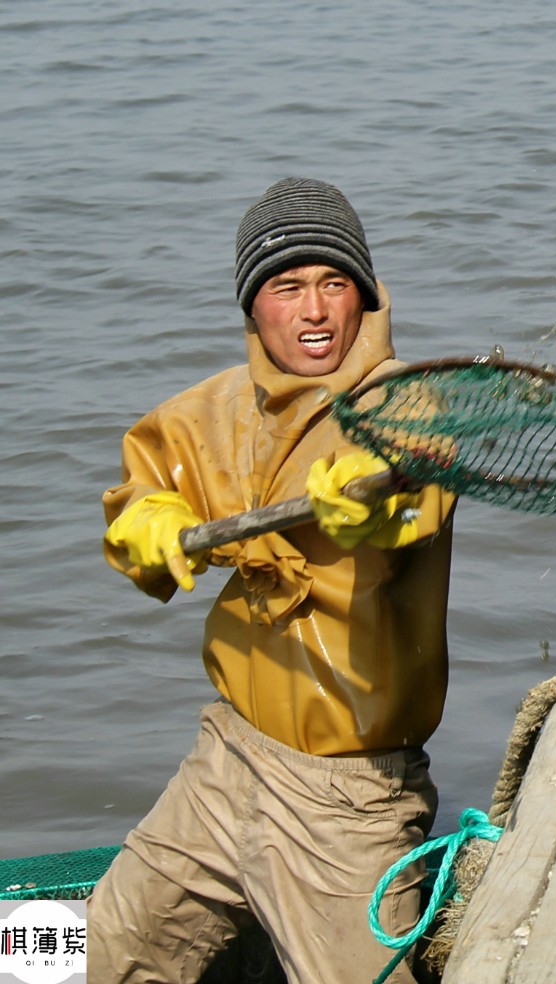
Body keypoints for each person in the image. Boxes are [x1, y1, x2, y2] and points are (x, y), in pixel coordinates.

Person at [89, 178, 457, 984]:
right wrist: (147, 520)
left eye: (334, 284)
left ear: (365, 297)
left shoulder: (406, 405)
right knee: (116, 947)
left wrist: (368, 504)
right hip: (226, 754)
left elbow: (415, 493)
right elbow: (140, 487)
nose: (315, 311)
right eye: (288, 288)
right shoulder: (214, 410)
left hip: (346, 793)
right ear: (253, 306)